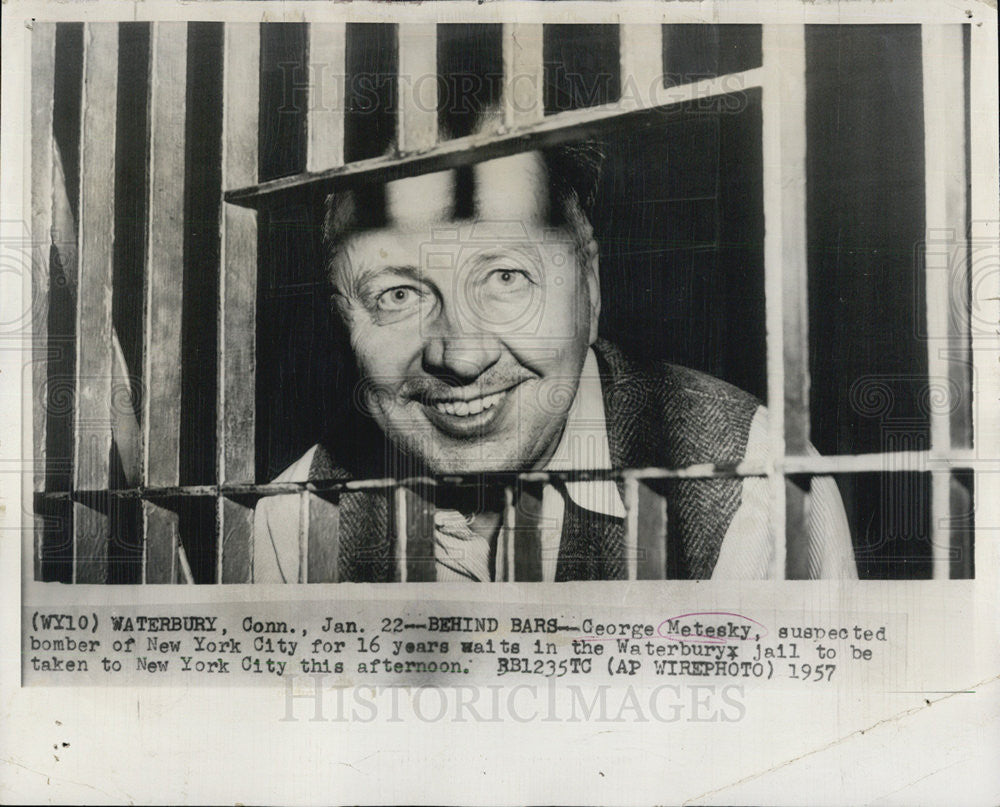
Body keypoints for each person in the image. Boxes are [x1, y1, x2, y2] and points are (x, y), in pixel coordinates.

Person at [252, 137, 856, 583]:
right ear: (341, 322)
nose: (461, 356)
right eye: (398, 295)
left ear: (588, 287)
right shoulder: (296, 518)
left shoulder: (752, 480)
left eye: (506, 277)